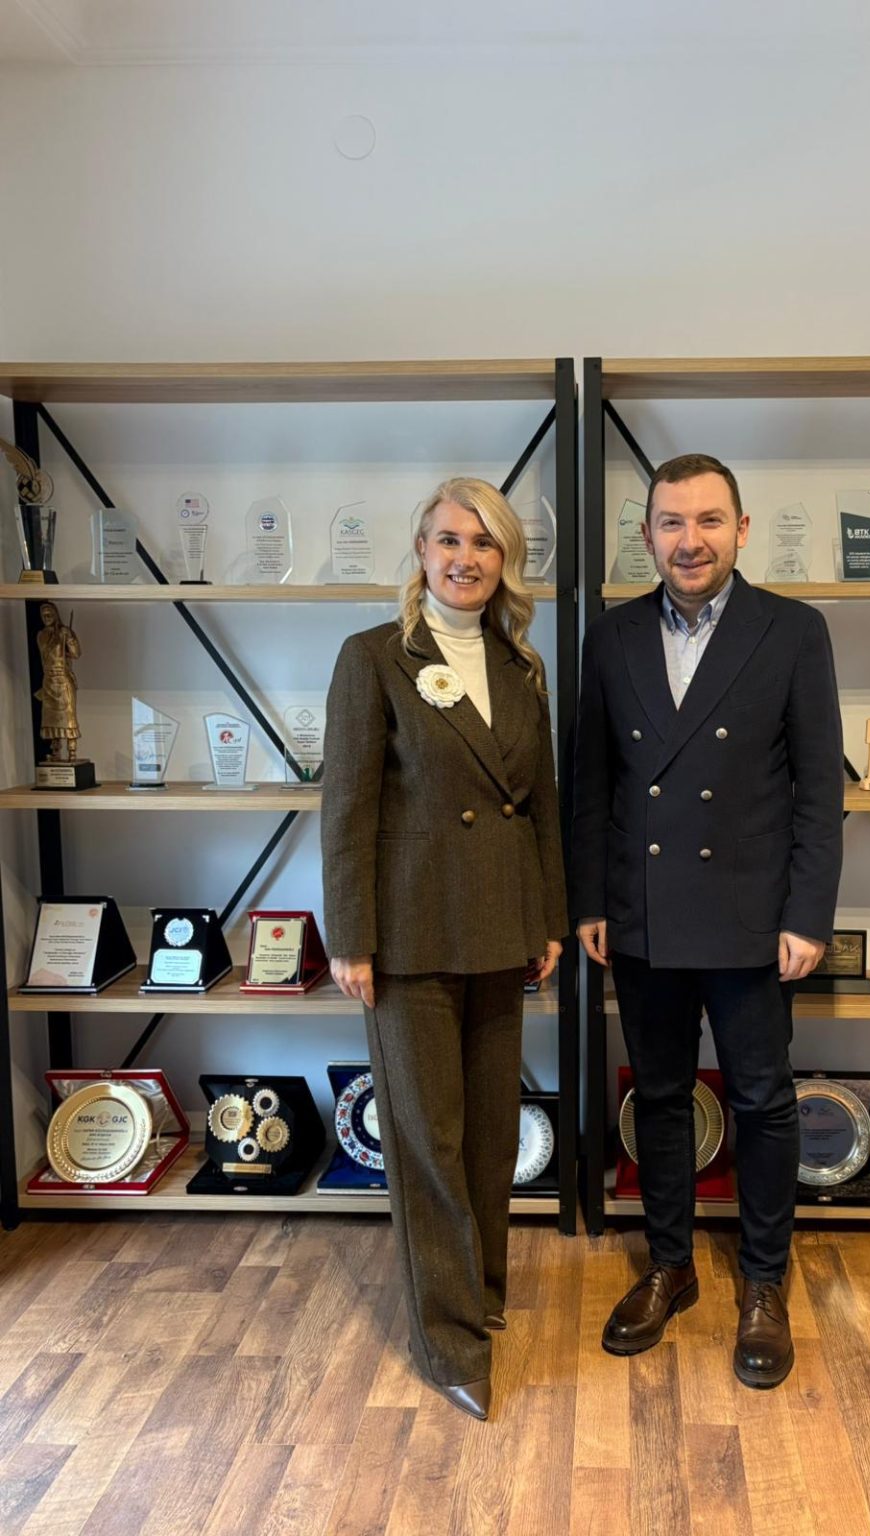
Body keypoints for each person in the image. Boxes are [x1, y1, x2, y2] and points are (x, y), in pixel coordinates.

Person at [571, 453, 843, 1389]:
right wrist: (590, 899)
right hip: (642, 913)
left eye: (709, 520)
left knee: (763, 1100)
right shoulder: (610, 637)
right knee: (658, 1096)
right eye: (672, 522)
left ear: (741, 529)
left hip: (751, 915)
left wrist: (808, 914)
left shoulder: (793, 631)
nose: (691, 541)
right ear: (648, 535)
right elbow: (593, 783)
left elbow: (819, 791)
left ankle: (764, 1282)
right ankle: (671, 1266)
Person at [322, 477, 566, 1422]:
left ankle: (482, 1292)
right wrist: (351, 937)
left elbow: (542, 808)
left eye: (486, 543)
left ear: (506, 561)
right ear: (421, 551)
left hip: (502, 929)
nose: (466, 558)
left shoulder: (520, 667)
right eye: (450, 539)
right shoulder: (373, 657)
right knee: (428, 1139)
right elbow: (348, 808)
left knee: (493, 1134)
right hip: (412, 934)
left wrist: (548, 919)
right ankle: (450, 1341)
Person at [35, 602, 81, 762]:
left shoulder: (63, 632)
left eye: (49, 614)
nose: (46, 618)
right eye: (43, 616)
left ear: (55, 615)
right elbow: (44, 659)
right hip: (49, 680)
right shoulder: (41, 635)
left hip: (63, 680)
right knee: (52, 719)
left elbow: (76, 654)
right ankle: (55, 751)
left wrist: (70, 640)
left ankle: (72, 752)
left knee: (69, 718)